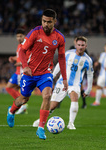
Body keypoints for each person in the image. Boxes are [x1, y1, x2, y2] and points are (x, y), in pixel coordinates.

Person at [6, 9, 68, 140]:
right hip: (29, 73)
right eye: (44, 21)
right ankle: (11, 111)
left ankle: (40, 128)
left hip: (45, 73)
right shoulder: (35, 32)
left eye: (49, 22)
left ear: (54, 22)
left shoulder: (59, 38)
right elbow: (22, 51)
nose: (46, 24)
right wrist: (25, 66)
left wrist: (65, 79)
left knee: (47, 95)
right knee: (23, 99)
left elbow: (62, 58)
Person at [33, 36, 94, 129]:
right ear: (75, 45)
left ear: (86, 45)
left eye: (82, 45)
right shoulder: (68, 54)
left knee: (74, 98)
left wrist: (88, 89)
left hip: (75, 85)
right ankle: (40, 120)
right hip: (62, 83)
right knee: (52, 106)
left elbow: (90, 75)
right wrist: (52, 75)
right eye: (79, 45)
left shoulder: (88, 60)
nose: (80, 47)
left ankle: (71, 123)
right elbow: (59, 65)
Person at [5, 28, 28, 114]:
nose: (19, 38)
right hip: (17, 72)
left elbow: (29, 58)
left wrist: (21, 63)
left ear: (24, 36)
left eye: (20, 36)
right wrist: (13, 58)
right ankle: (21, 106)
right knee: (15, 89)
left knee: (8, 87)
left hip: (21, 72)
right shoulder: (19, 46)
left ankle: (22, 105)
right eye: (17, 36)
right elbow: (19, 57)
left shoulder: (26, 45)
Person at [70, 36, 89, 109]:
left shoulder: (84, 50)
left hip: (79, 72)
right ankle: (58, 103)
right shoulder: (71, 49)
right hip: (70, 72)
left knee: (81, 87)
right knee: (64, 87)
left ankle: (84, 103)